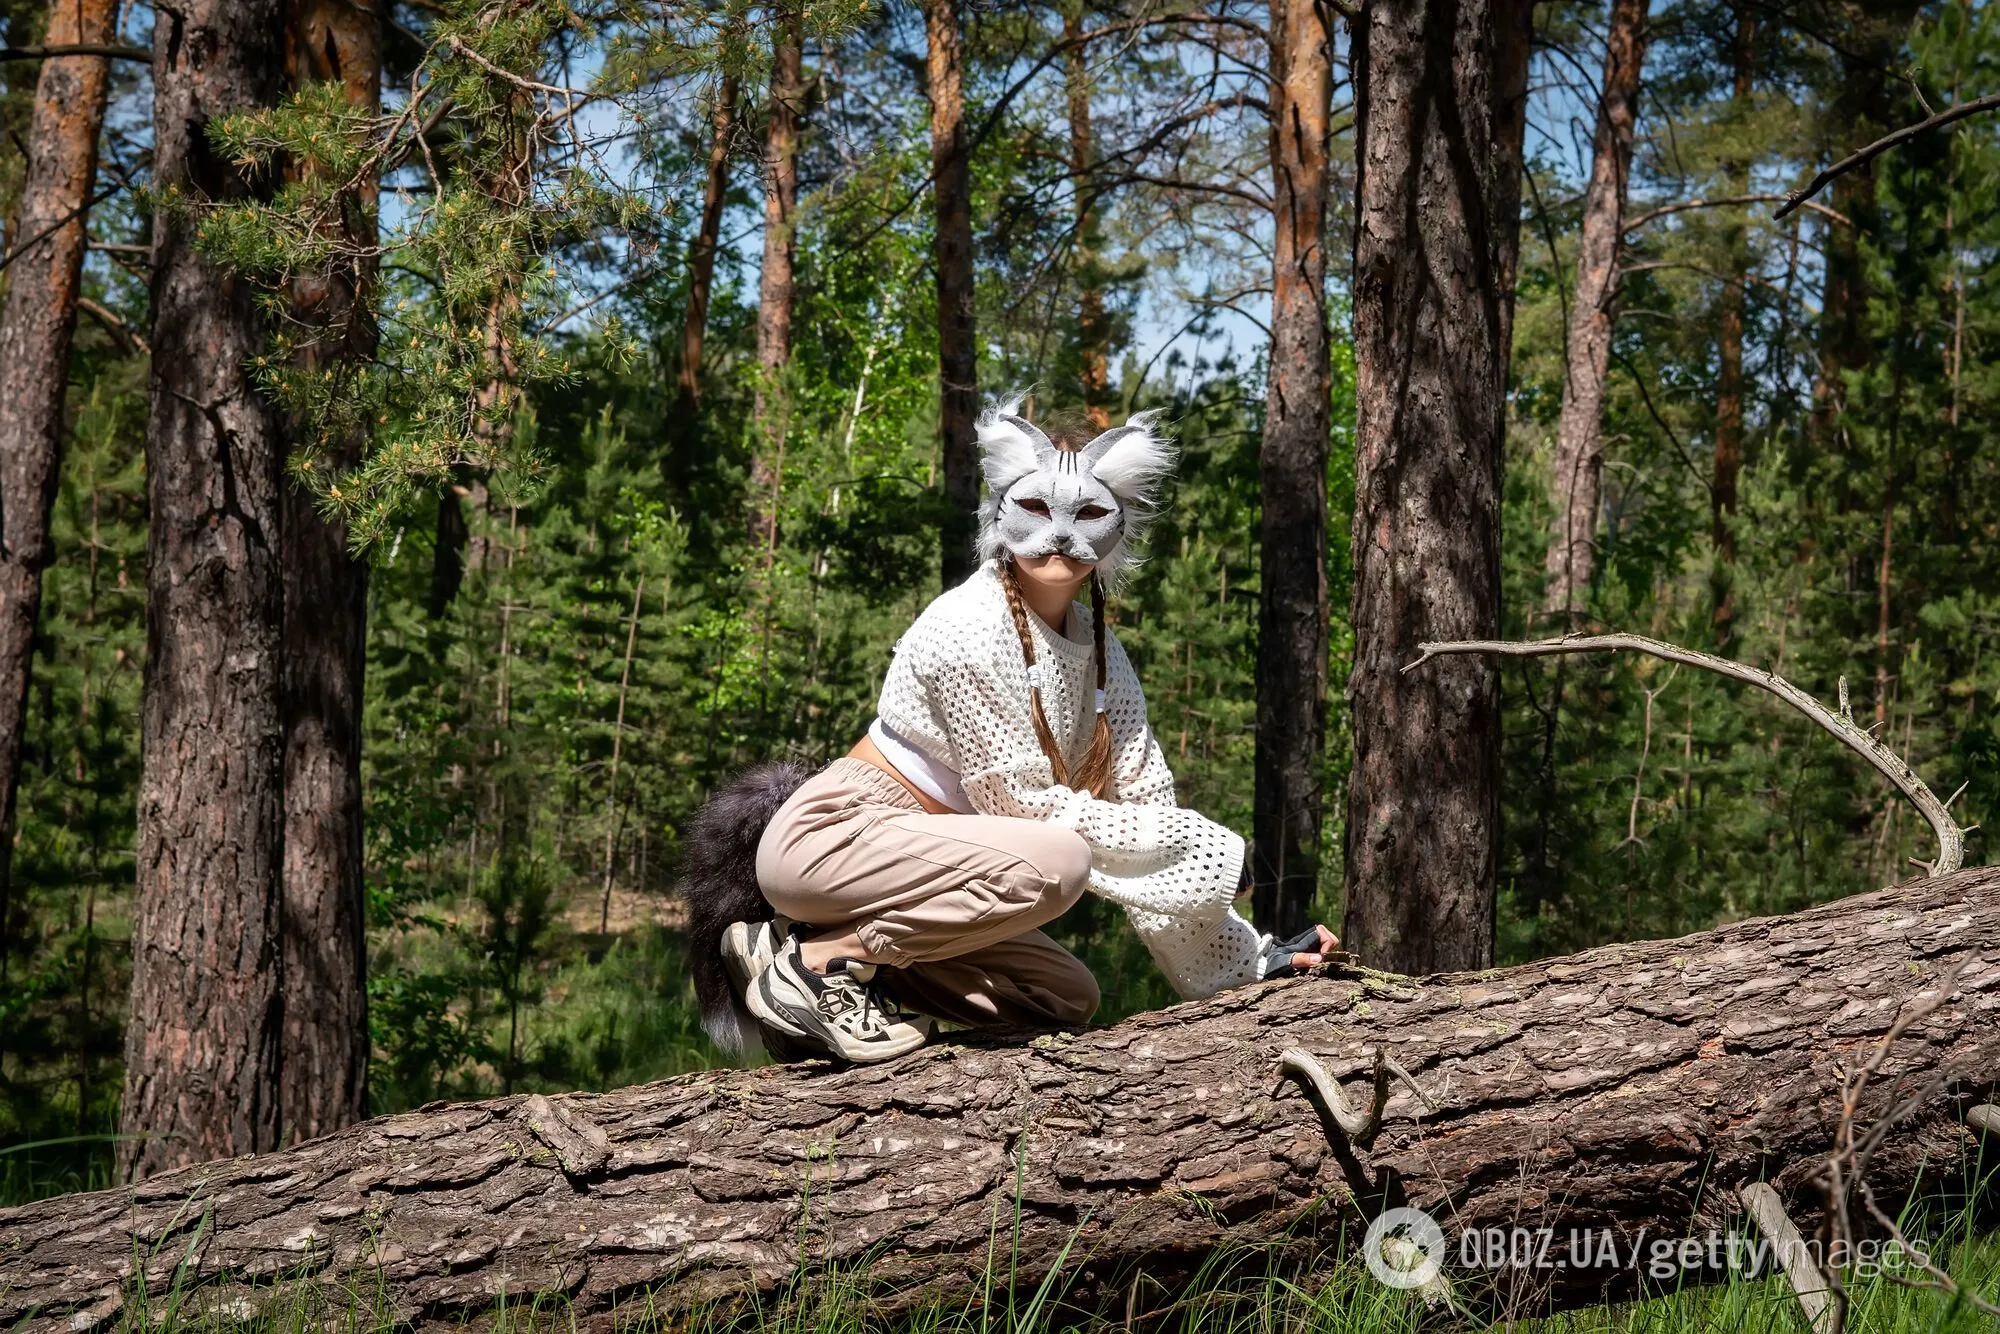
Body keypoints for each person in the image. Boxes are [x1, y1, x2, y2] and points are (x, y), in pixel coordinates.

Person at [686, 400, 1336, 1064]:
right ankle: (824, 962)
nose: (1058, 533)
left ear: (1118, 524)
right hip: (836, 839)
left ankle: (790, 955)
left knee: (1060, 996)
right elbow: (1021, 809)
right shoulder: (969, 624)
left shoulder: (1102, 651)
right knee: (1060, 863)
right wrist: (1211, 852)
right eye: (1035, 508)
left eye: (1086, 513)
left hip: (923, 870)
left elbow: (1151, 811)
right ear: (1000, 512)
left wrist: (1248, 958)